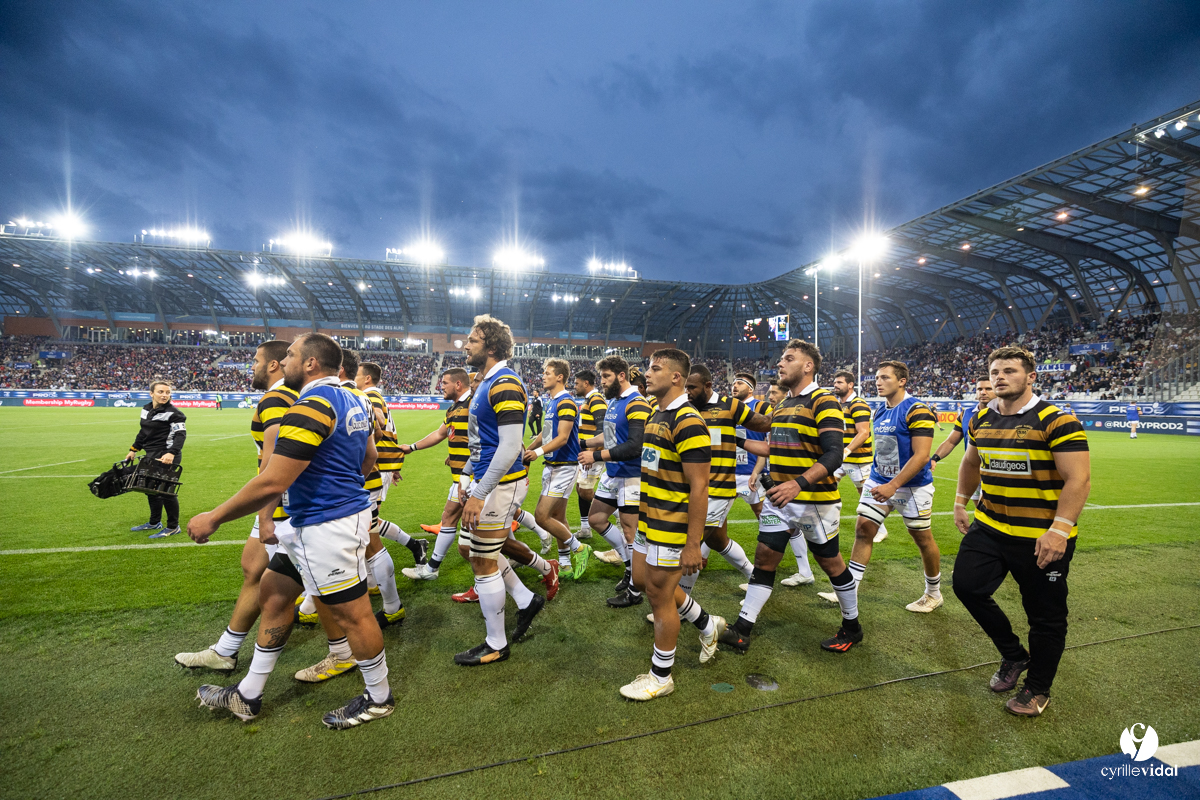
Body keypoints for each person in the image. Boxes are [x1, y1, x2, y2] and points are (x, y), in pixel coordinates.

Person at [188, 333, 395, 729]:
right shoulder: (354, 399)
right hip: (317, 523)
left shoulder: (312, 404)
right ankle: (248, 694)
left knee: (354, 615)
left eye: (292, 355)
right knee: (274, 592)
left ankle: (379, 698)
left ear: (311, 363)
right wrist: (340, 485)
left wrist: (214, 517)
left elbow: (272, 480)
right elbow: (369, 457)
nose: (284, 361)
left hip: (325, 527)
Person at [952, 345, 1090, 717]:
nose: (1000, 377)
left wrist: (1059, 531)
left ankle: (1038, 688)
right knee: (967, 586)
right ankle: (1014, 655)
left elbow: (1078, 479)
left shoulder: (1057, 420)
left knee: (1045, 616)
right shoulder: (981, 418)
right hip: (990, 526)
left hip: (1042, 536)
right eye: (995, 371)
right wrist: (961, 501)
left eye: (1009, 371)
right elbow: (970, 462)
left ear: (1031, 377)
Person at [175, 341, 306, 674]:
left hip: (283, 505)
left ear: (273, 365)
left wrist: (264, 514)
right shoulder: (289, 396)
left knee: (283, 588)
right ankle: (225, 651)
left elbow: (274, 462)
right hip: (283, 501)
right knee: (254, 569)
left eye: (256, 360)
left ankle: (346, 652)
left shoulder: (276, 398)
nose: (252, 366)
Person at [719, 339, 854, 655]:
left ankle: (852, 626)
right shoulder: (782, 405)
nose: (780, 363)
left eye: (789, 358)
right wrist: (735, 439)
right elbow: (772, 448)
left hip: (814, 500)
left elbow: (834, 454)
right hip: (779, 498)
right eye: (781, 358)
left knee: (830, 562)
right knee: (765, 557)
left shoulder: (824, 401)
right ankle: (742, 628)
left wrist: (798, 484)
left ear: (808, 366)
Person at [620, 349, 723, 701]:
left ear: (676, 377)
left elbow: (700, 487)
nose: (647, 374)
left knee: (658, 596)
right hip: (650, 520)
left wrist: (693, 544)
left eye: (655, 368)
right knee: (641, 580)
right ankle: (707, 623)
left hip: (672, 525)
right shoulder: (656, 413)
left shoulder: (688, 420)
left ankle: (661, 676)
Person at [456, 315, 547, 665]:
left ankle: (496, 644)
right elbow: (484, 441)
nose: (466, 345)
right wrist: (467, 477)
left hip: (502, 485)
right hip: (490, 482)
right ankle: (526, 600)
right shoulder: (489, 382)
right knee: (478, 551)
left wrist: (479, 493)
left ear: (491, 346)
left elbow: (510, 446)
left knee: (482, 559)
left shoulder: (505, 382)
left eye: (472, 340)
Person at [820, 361, 941, 623]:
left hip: (912, 486)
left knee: (922, 538)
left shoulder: (917, 409)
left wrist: (893, 485)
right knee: (864, 529)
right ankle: (849, 588)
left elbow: (922, 456)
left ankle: (933, 593)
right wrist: (881, 480)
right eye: (876, 377)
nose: (878, 382)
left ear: (902, 381)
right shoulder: (880, 410)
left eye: (885, 377)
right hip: (878, 480)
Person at [676, 364, 770, 597]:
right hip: (691, 487)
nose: (687, 392)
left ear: (708, 385)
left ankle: (681, 605)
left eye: (692, 387)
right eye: (685, 387)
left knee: (692, 542)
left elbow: (763, 424)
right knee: (718, 541)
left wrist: (786, 409)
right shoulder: (685, 407)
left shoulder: (730, 405)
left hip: (718, 488)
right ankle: (755, 578)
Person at [578, 355, 653, 607]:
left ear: (622, 375)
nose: (602, 381)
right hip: (614, 473)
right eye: (601, 376)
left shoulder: (637, 403)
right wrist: (584, 443)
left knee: (631, 532)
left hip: (632, 476)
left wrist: (595, 456)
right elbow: (609, 436)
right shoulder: (614, 402)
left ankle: (635, 591)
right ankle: (630, 567)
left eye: (606, 376)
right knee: (596, 519)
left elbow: (635, 446)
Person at [522, 358, 592, 580]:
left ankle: (580, 548)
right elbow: (546, 433)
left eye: (547, 373)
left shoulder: (566, 402)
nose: (543, 376)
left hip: (564, 467)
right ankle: (565, 565)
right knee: (558, 517)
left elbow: (562, 438)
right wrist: (528, 450)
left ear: (560, 377)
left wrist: (537, 453)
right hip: (552, 466)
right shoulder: (552, 401)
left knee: (541, 516)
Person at [401, 368, 473, 581]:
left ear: (458, 384)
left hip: (472, 479)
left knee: (479, 536)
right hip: (460, 478)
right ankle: (431, 568)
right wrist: (412, 447)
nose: (440, 387)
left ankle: (535, 562)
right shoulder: (453, 409)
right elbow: (441, 434)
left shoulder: (473, 405)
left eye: (444, 383)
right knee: (450, 518)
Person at [357, 360, 428, 569]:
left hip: (377, 468)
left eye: (356, 375)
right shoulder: (373, 395)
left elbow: (378, 420)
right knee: (369, 521)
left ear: (367, 378)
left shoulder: (370, 396)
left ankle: (371, 574)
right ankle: (415, 545)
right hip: (382, 466)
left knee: (367, 523)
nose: (353, 378)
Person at [831, 369, 887, 544]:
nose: (835, 385)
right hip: (840, 458)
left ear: (850, 385)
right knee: (826, 485)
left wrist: (846, 451)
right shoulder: (838, 404)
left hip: (858, 459)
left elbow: (863, 432)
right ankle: (828, 521)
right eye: (835, 382)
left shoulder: (858, 404)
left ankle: (881, 529)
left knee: (866, 494)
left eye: (839, 382)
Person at [126, 380, 187, 538]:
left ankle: (173, 527)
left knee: (166, 492)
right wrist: (133, 449)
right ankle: (154, 522)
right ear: (151, 393)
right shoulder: (146, 410)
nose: (165, 395)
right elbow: (143, 432)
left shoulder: (175, 414)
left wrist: (172, 453)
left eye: (167, 392)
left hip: (167, 455)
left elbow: (180, 435)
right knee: (150, 489)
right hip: (151, 454)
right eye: (161, 392)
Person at [929, 376, 995, 510]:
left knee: (991, 513)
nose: (983, 392)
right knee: (980, 511)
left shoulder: (1006, 414)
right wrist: (934, 458)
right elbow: (951, 441)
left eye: (988, 389)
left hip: (995, 472)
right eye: (980, 389)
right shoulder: (966, 414)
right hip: (973, 471)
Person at [572, 369, 608, 541]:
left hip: (593, 453)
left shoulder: (596, 399)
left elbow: (603, 427)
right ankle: (585, 528)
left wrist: (591, 453)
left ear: (586, 383)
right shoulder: (589, 399)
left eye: (577, 383)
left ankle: (620, 513)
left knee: (586, 492)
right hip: (586, 452)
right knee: (580, 488)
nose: (575, 386)